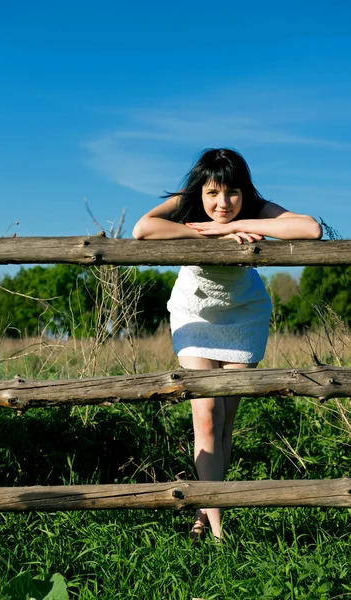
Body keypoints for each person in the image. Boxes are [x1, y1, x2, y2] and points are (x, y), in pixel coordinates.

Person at [132, 148, 322, 541]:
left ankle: (205, 506)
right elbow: (143, 229)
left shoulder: (253, 206)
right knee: (205, 417)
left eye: (231, 192)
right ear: (200, 192)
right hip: (194, 314)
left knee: (224, 424)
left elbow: (310, 229)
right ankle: (217, 531)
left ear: (243, 191)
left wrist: (246, 223)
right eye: (213, 193)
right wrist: (206, 230)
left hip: (243, 315)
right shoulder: (188, 203)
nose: (222, 203)